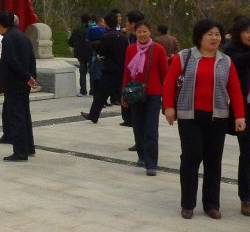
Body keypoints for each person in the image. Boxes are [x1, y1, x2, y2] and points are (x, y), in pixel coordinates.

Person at [163, 19, 246, 220]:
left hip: (218, 117)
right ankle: (188, 204)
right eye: (210, 34)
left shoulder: (225, 61)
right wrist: (169, 107)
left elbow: (235, 89)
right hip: (189, 116)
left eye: (217, 34)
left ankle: (211, 205)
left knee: (213, 161)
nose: (214, 38)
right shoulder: (185, 56)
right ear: (199, 36)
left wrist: (240, 116)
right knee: (191, 158)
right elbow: (169, 82)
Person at [121, 21, 169, 176]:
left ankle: (151, 163)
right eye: (139, 32)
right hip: (135, 93)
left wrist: (167, 96)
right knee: (138, 126)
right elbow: (127, 72)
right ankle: (141, 156)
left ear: (150, 32)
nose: (142, 34)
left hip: (153, 93)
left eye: (145, 31)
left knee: (151, 128)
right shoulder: (130, 49)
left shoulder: (158, 49)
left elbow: (165, 73)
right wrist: (124, 93)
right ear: (135, 33)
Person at [0, 10, 37, 161]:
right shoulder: (23, 36)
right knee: (25, 115)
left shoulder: (8, 38)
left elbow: (12, 61)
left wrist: (26, 77)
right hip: (24, 82)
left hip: (14, 82)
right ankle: (29, 147)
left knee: (17, 117)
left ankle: (20, 152)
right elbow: (32, 58)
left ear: (1, 24)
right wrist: (31, 77)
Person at [224, 16, 250, 217]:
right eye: (248, 32)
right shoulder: (232, 52)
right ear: (239, 33)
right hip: (244, 111)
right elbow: (238, 62)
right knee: (247, 154)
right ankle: (246, 198)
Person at [82, 12, 129, 123]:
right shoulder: (123, 37)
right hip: (121, 69)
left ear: (106, 24)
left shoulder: (106, 36)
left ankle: (93, 115)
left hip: (109, 69)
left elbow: (102, 52)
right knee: (121, 95)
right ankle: (128, 118)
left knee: (101, 94)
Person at [69, 13, 94, 97]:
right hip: (90, 52)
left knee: (82, 72)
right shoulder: (92, 30)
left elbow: (70, 42)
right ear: (89, 21)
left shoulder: (77, 30)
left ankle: (83, 91)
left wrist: (76, 45)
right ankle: (92, 91)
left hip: (80, 53)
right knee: (91, 72)